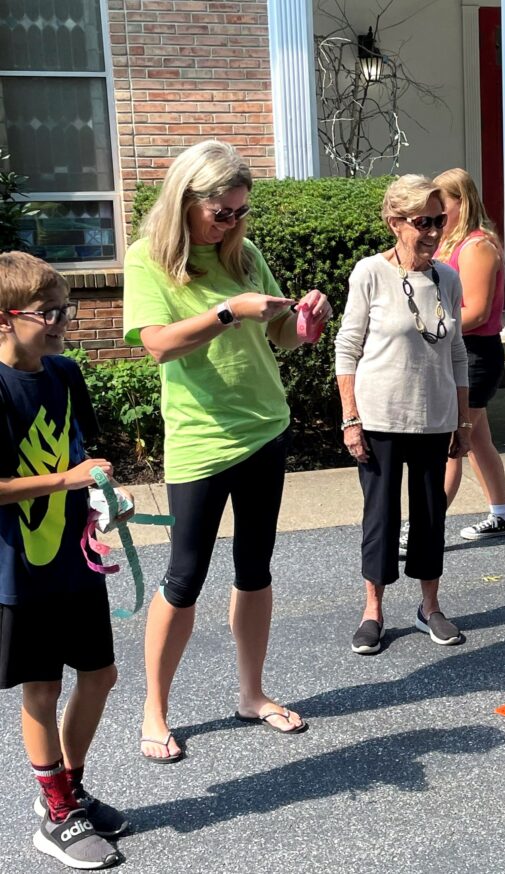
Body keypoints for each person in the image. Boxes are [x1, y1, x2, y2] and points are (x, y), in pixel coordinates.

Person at [124, 140, 330, 762]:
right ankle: (154, 710)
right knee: (184, 577)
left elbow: (281, 335)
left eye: (241, 212)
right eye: (221, 213)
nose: (232, 223)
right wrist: (227, 310)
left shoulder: (245, 255)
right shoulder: (148, 259)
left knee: (255, 567)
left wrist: (306, 325)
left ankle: (251, 694)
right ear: (185, 201)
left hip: (265, 428)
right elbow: (158, 344)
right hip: (201, 440)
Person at [0, 252, 132, 869]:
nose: (60, 323)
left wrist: (102, 497)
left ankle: (66, 790)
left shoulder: (66, 373)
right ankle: (56, 814)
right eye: (46, 313)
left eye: (64, 310)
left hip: (75, 556)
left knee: (100, 674)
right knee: (42, 687)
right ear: (5, 318)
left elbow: (81, 455)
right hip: (19, 568)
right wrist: (67, 481)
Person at [336, 174, 470, 656]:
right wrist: (350, 418)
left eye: (439, 220)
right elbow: (347, 347)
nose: (433, 231)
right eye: (422, 222)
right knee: (381, 516)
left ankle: (429, 606)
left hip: (435, 417)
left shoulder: (447, 278)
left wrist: (463, 420)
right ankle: (373, 611)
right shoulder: (370, 272)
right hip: (379, 418)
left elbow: (457, 351)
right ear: (395, 222)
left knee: (431, 515)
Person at [433, 167, 505, 541]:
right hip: (455, 351)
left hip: (474, 355)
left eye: (442, 205)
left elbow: (477, 312)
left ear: (462, 202)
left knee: (452, 441)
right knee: (477, 441)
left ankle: (425, 528)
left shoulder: (477, 246)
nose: (436, 214)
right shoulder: (448, 241)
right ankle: (502, 514)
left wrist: (426, 330)